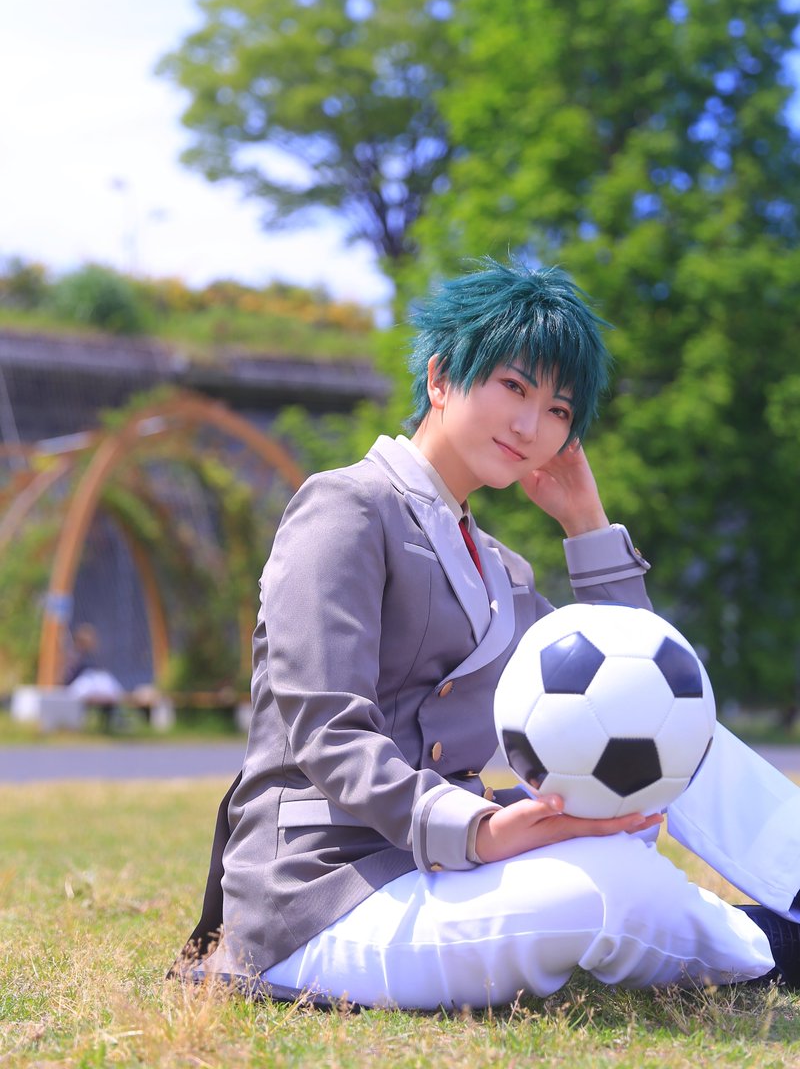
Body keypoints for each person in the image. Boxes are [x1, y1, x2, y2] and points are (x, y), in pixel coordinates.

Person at [174, 258, 800, 1009]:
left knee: (670, 730)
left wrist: (587, 524)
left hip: (437, 874)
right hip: (319, 898)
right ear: (441, 378)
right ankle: (770, 947)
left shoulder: (503, 571)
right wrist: (480, 831)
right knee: (605, 891)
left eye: (559, 410)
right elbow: (326, 730)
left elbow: (638, 684)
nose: (531, 426)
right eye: (514, 387)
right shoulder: (346, 506)